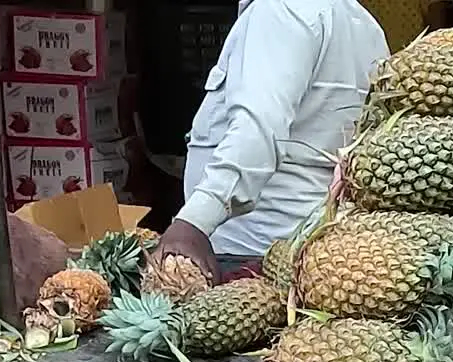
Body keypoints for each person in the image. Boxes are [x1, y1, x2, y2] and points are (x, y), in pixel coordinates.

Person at [154, 0, 390, 281]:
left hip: (253, 257)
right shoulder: (363, 23)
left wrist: (193, 223)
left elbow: (256, 130)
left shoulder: (280, 10)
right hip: (308, 250)